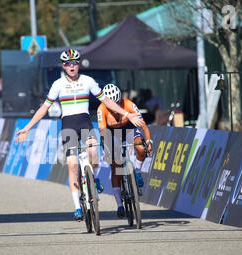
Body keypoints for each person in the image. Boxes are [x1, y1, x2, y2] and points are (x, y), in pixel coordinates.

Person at [15, 49, 144, 221]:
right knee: (72, 165)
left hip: (84, 122)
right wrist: (28, 128)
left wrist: (127, 114)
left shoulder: (88, 81)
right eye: (68, 63)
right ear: (64, 66)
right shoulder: (58, 85)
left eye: (75, 62)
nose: (72, 66)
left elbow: (106, 101)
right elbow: (44, 108)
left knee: (93, 153)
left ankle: (94, 178)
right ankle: (77, 207)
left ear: (78, 64)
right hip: (68, 125)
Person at [98, 84, 153, 218]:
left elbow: (143, 125)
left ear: (120, 100)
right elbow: (103, 132)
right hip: (110, 133)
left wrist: (149, 141)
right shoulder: (102, 109)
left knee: (141, 148)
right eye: (111, 104)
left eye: (117, 103)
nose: (115, 108)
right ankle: (119, 204)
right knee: (115, 165)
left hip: (128, 129)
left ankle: (138, 170)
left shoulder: (129, 104)